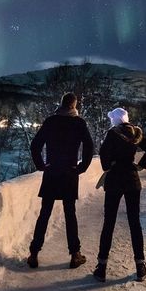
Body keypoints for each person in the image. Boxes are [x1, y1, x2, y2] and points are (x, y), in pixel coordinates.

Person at [27, 92, 94, 269]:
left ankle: (33, 253)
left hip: (51, 173)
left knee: (44, 214)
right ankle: (75, 254)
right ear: (74, 105)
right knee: (70, 214)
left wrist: (42, 165)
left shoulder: (51, 121)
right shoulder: (79, 123)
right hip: (69, 174)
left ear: (62, 103)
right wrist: (82, 167)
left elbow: (35, 145)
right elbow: (89, 146)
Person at [93, 107, 146, 283]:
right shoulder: (136, 133)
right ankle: (140, 266)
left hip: (114, 181)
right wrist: (141, 165)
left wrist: (108, 166)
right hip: (132, 180)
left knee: (109, 222)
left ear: (115, 120)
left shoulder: (112, 134)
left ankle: (102, 267)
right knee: (134, 222)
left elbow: (104, 155)